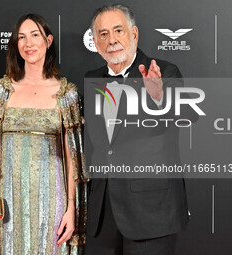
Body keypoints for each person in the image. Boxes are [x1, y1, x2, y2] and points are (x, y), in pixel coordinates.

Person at [0, 13, 89, 255]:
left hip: (52, 199)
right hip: (7, 201)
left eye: (35, 35)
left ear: (48, 41)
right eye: (21, 37)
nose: (28, 43)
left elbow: (73, 158)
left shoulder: (67, 94)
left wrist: (71, 207)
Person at [84, 4, 198, 255]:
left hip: (150, 212)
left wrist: (159, 98)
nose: (111, 40)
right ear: (95, 41)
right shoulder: (92, 78)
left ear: (134, 34)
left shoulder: (164, 71)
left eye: (118, 31)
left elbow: (187, 116)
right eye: (103, 34)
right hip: (102, 214)